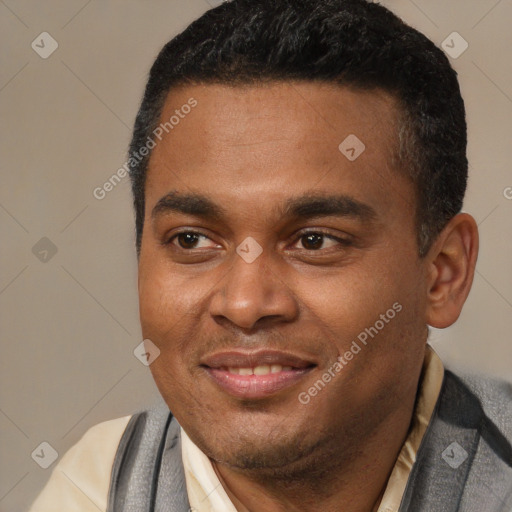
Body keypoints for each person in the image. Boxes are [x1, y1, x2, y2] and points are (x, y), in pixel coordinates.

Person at [29, 0, 512, 511]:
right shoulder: (96, 489)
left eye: (315, 241)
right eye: (192, 240)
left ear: (443, 274)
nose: (244, 304)